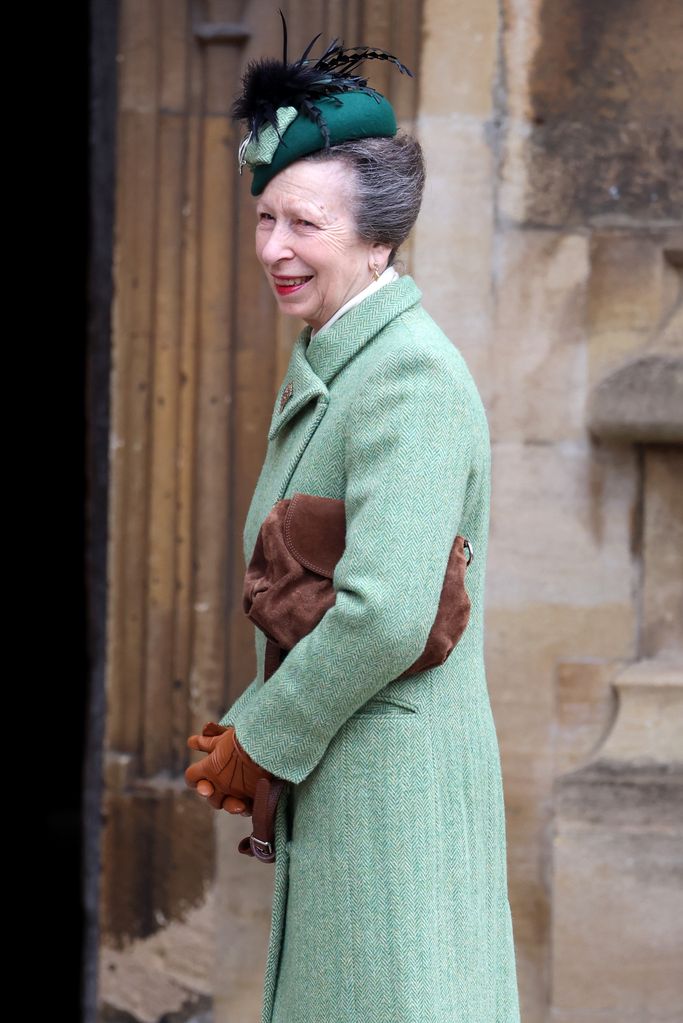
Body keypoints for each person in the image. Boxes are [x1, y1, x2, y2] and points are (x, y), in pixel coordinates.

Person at [185, 21, 521, 1023]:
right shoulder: (342, 360)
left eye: (304, 226)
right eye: (265, 219)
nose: (274, 248)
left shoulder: (405, 375)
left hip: (390, 797)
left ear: (378, 240)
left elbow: (382, 614)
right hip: (349, 784)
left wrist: (260, 738)